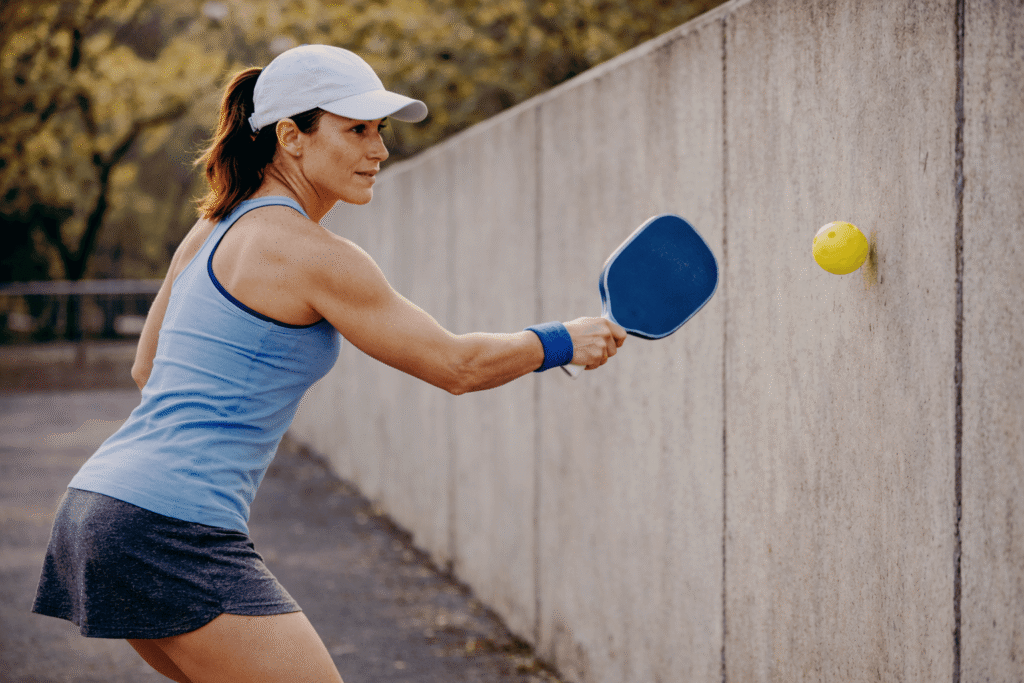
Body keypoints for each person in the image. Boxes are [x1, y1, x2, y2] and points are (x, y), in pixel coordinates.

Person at [31, 44, 625, 683]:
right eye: (357, 130)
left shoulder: (210, 228)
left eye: (381, 131)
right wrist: (564, 339)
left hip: (100, 506)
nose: (379, 150)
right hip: (170, 529)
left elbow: (146, 370)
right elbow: (457, 365)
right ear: (291, 136)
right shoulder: (315, 254)